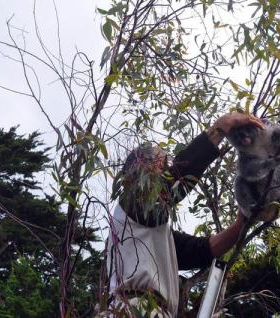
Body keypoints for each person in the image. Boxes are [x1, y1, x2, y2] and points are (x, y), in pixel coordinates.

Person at [105, 113, 264, 317]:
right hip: (132, 309)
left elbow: (203, 249)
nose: (167, 173)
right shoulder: (131, 201)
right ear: (139, 168)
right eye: (163, 167)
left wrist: (243, 219)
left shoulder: (152, 235)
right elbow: (172, 184)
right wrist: (219, 128)